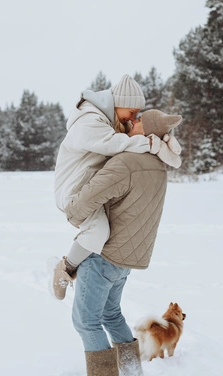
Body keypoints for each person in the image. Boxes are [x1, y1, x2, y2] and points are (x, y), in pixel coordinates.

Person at [64, 110, 182, 376]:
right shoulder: (157, 165)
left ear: (148, 132)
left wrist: (72, 212)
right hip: (126, 259)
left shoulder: (128, 162)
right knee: (110, 315)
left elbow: (89, 198)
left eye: (138, 121)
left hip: (103, 256)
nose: (131, 122)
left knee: (85, 322)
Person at [50, 74, 179, 300]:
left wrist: (159, 136)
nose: (133, 118)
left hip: (88, 187)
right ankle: (63, 270)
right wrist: (149, 143)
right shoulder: (89, 120)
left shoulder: (109, 121)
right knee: (98, 232)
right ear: (118, 104)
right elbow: (112, 144)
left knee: (101, 232)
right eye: (132, 112)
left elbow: (128, 136)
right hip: (72, 190)